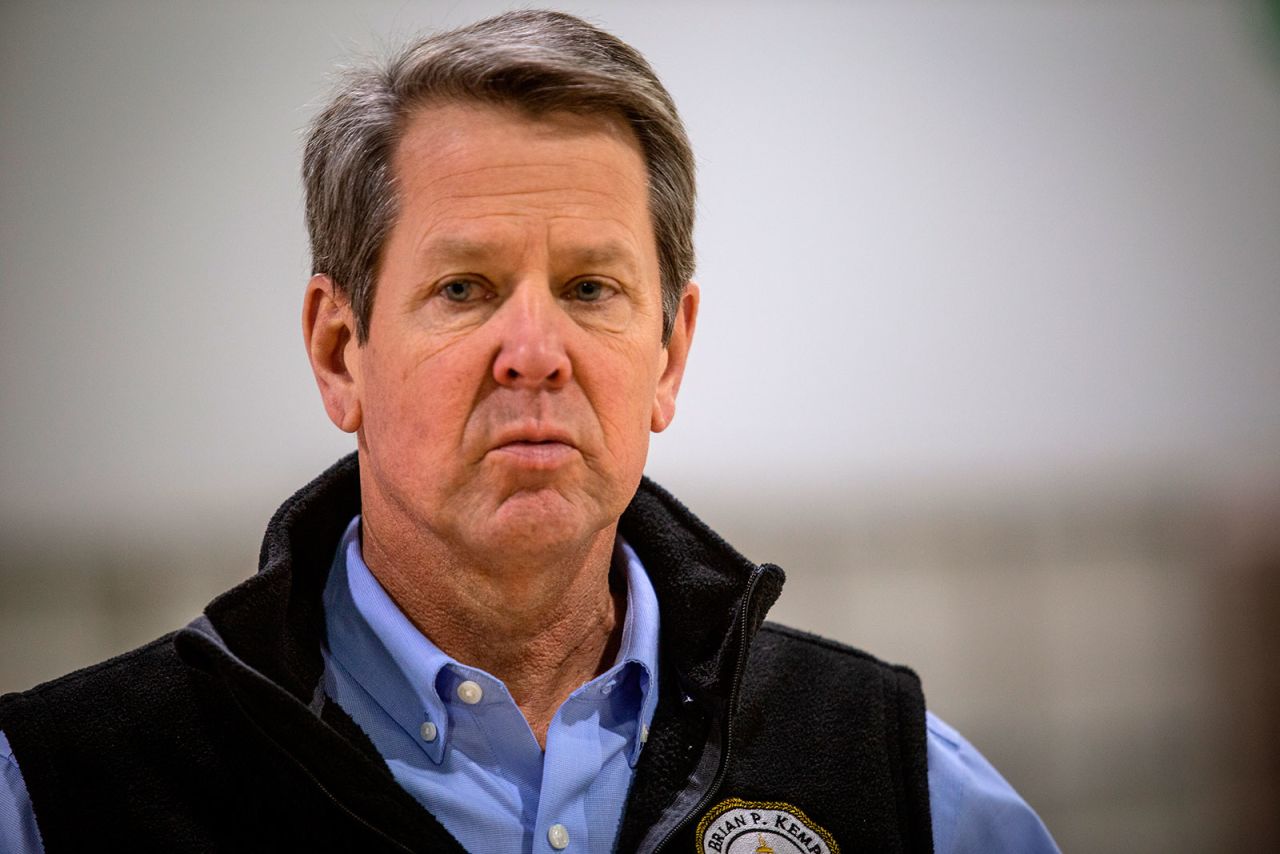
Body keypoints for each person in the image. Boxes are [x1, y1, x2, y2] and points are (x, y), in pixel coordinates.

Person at [0, 10, 1058, 853]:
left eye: (591, 287)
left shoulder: (891, 775)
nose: (535, 351)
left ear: (668, 354)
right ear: (338, 349)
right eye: (464, 288)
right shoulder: (62, 794)